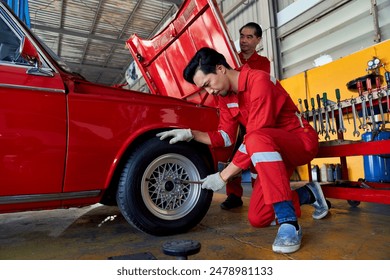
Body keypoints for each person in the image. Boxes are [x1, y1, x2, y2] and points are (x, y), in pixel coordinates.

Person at [156, 47, 328, 254]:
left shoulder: (259, 81)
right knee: (258, 217)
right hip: (271, 152)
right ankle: (309, 193)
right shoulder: (225, 97)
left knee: (256, 137)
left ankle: (290, 223)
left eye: (207, 84)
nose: (209, 92)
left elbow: (256, 134)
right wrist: (192, 134)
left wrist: (223, 176)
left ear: (220, 69)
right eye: (204, 89)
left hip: (299, 143)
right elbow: (226, 137)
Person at [221, 22, 271, 211]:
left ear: (258, 39)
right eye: (242, 36)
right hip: (235, 113)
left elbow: (256, 87)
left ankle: (261, 192)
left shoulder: (263, 63)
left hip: (254, 115)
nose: (244, 41)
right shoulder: (231, 59)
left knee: (256, 153)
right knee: (231, 153)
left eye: (249, 37)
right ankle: (234, 195)